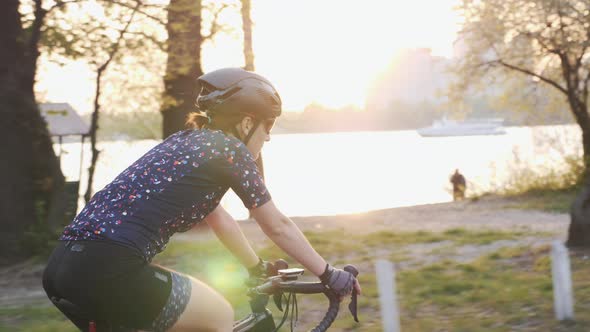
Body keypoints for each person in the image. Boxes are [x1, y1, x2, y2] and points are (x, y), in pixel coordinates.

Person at [42, 67, 361, 332]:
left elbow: (217, 215)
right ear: (247, 122)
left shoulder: (186, 142)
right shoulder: (230, 151)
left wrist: (255, 267)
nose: (268, 137)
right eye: (268, 126)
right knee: (218, 315)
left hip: (62, 268)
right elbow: (276, 225)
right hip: (110, 268)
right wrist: (329, 274)